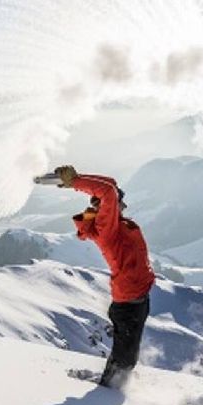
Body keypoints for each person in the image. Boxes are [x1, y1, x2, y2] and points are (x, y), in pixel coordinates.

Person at [53, 164, 155, 387]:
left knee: (127, 355)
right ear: (105, 210)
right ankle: (108, 391)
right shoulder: (107, 230)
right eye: (118, 202)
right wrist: (76, 183)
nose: (122, 202)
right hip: (129, 303)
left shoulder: (115, 224)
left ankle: (115, 383)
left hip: (138, 299)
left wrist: (78, 178)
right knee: (125, 358)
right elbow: (107, 191)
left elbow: (110, 185)